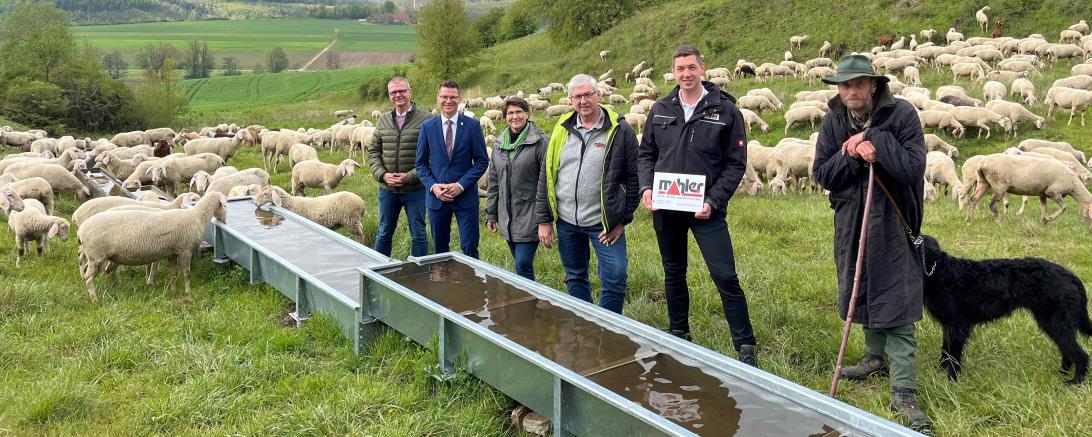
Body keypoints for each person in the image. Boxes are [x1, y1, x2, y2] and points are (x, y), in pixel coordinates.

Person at [811, 54, 930, 432]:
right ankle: (874, 358)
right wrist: (852, 152)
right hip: (851, 219)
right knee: (859, 287)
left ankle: (904, 389)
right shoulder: (834, 119)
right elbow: (822, 174)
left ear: (873, 85)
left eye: (857, 84)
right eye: (844, 85)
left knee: (897, 296)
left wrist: (874, 138)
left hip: (894, 221)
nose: (850, 92)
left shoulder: (903, 115)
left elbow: (912, 167)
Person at [637, 45, 758, 367]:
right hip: (666, 208)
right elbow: (647, 153)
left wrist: (714, 200)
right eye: (680, 69)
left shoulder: (725, 110)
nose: (686, 74)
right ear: (673, 72)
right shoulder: (661, 108)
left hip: (707, 210)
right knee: (674, 272)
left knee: (725, 275)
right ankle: (678, 331)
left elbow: (735, 163)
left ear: (702, 69)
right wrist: (647, 187)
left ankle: (745, 344)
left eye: (691, 67)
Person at [536, 74, 639, 314]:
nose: (583, 101)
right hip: (567, 221)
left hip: (603, 223)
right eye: (577, 96)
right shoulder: (562, 128)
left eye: (588, 95)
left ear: (599, 96)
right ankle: (584, 323)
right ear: (571, 99)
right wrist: (544, 219)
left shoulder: (620, 130)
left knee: (615, 275)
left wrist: (622, 220)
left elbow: (634, 177)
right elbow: (547, 174)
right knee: (575, 276)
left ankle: (608, 325)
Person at [415, 80, 489, 258]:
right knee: (440, 251)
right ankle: (443, 285)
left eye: (453, 97)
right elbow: (421, 164)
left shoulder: (472, 126)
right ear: (438, 98)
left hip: (465, 198)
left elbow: (481, 161)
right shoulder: (427, 127)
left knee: (470, 247)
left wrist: (460, 185)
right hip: (437, 199)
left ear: (459, 99)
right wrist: (434, 187)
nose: (448, 101)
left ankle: (471, 283)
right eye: (444, 97)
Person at [368, 76, 432, 258]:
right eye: (393, 92)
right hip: (388, 189)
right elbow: (373, 150)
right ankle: (380, 272)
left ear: (410, 92)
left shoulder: (426, 119)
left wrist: (410, 176)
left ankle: (418, 276)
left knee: (418, 234)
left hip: (415, 189)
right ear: (389, 95)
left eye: (402, 91)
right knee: (384, 232)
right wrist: (382, 175)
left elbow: (433, 156)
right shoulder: (383, 120)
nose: (398, 95)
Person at [486, 97, 548, 281]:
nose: (515, 116)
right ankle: (529, 298)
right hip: (507, 214)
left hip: (530, 213)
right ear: (505, 117)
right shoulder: (498, 145)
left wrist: (545, 218)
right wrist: (491, 213)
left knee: (522, 264)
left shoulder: (540, 142)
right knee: (519, 264)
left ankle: (529, 302)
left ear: (527, 113)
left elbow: (545, 182)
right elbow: (494, 181)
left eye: (519, 112)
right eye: (510, 113)